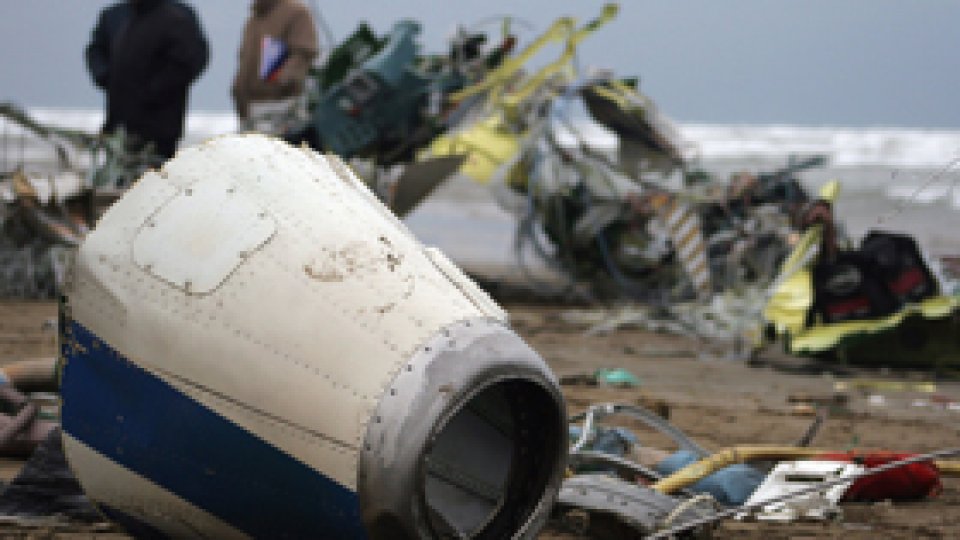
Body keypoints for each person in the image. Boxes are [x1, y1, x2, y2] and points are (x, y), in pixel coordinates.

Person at [85, 0, 209, 159]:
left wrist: (153, 91)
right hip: (121, 120)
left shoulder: (176, 18)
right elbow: (96, 51)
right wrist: (106, 78)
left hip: (159, 124)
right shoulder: (120, 16)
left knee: (154, 173)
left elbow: (190, 61)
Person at [232, 0, 320, 135]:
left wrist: (283, 79)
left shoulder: (295, 13)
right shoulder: (254, 18)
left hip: (280, 109)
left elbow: (304, 51)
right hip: (250, 110)